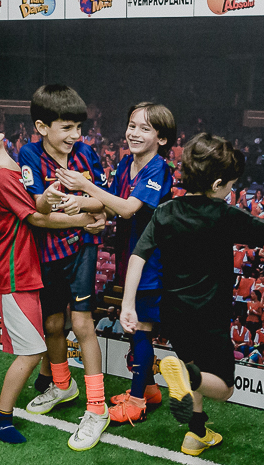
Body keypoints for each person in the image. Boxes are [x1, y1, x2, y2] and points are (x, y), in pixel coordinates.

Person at [121, 133, 264, 455]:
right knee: (222, 387)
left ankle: (196, 433)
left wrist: (127, 304)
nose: (231, 190)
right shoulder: (224, 214)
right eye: (231, 185)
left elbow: (138, 256)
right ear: (218, 183)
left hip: (174, 314)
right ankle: (186, 376)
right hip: (210, 317)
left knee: (194, 365)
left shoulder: (165, 211)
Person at [0, 127, 105, 444]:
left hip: (28, 271)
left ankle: (55, 383)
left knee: (49, 329)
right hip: (16, 275)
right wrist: (84, 220)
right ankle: (1, 416)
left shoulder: (18, 168)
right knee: (31, 351)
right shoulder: (0, 177)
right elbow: (37, 217)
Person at [57, 102, 176, 424]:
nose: (134, 133)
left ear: (162, 138)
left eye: (145, 129)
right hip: (129, 258)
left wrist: (85, 186)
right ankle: (149, 390)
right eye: (132, 125)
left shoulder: (158, 169)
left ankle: (137, 402)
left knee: (141, 329)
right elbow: (109, 205)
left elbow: (127, 208)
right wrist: (81, 205)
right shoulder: (126, 163)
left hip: (152, 263)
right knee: (136, 329)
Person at [18, 85, 112, 451]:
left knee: (82, 324)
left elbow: (101, 204)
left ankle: (97, 407)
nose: (75, 135)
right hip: (47, 254)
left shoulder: (87, 154)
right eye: (67, 127)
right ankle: (62, 385)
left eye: (79, 128)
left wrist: (81, 202)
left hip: (82, 249)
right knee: (53, 324)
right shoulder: (29, 154)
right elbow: (37, 207)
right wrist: (49, 199)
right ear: (42, 127)